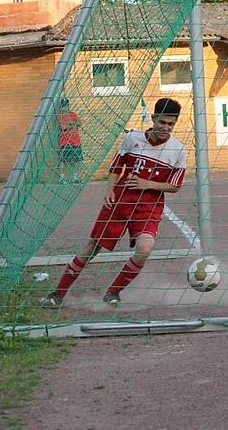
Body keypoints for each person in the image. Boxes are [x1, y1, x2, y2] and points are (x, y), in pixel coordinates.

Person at [41, 98, 187, 308]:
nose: (165, 127)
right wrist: (110, 189)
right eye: (162, 122)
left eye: (170, 124)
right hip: (120, 202)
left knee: (144, 249)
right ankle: (58, 293)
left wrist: (147, 184)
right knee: (92, 247)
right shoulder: (132, 138)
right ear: (154, 118)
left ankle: (113, 292)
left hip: (148, 208)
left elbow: (174, 185)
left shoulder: (178, 150)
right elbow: (116, 167)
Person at [56, 97, 83, 183]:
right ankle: (62, 177)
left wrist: (70, 125)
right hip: (65, 141)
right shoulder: (59, 116)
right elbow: (63, 127)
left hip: (75, 141)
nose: (65, 107)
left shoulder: (73, 114)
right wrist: (72, 125)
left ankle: (76, 177)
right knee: (63, 160)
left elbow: (80, 123)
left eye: (66, 105)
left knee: (77, 160)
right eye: (63, 105)